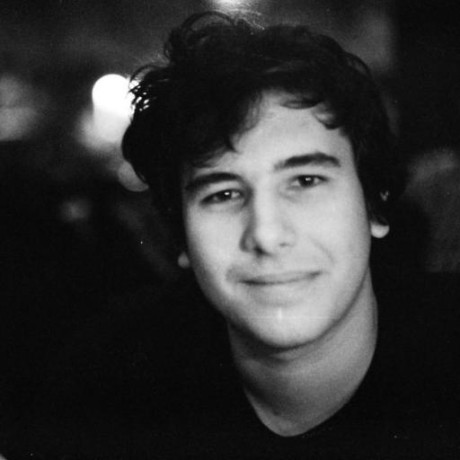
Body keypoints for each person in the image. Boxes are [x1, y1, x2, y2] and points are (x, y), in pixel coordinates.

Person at [9, 11, 460, 460]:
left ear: (374, 205)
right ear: (181, 238)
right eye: (223, 194)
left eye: (305, 181)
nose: (266, 234)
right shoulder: (107, 383)